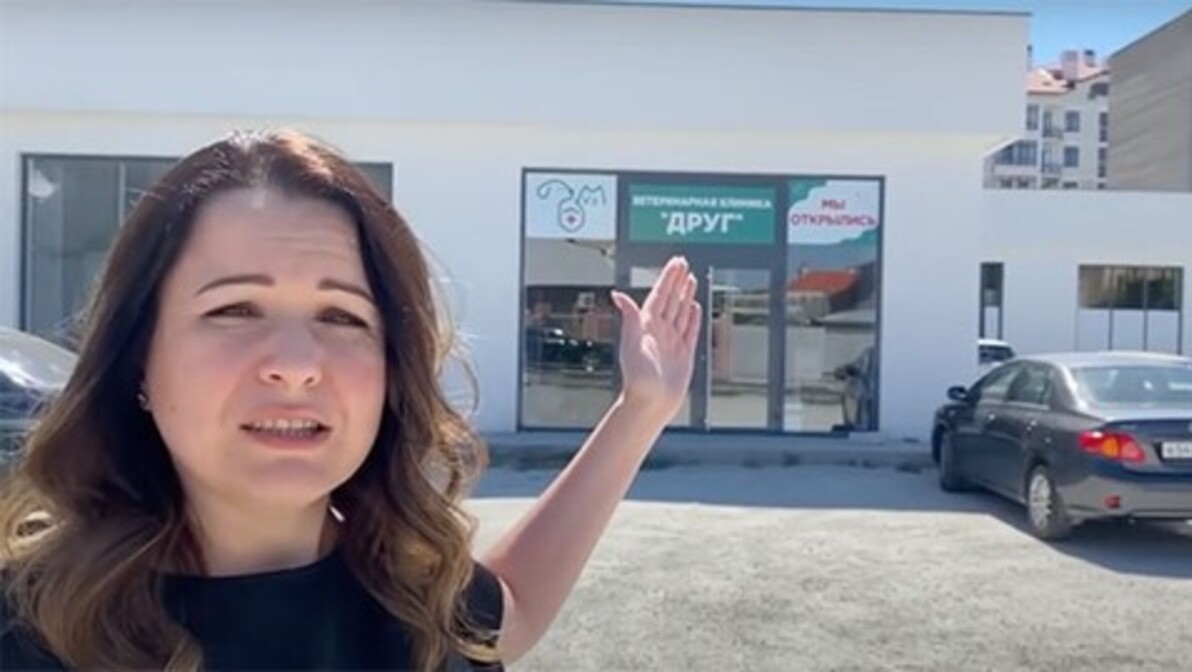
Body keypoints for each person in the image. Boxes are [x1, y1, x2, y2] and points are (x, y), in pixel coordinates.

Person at [0, 130, 701, 670]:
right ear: (137, 358)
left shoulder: (414, 596)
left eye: (342, 318)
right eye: (236, 309)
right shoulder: (33, 626)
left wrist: (641, 409)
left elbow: (507, 614)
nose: (298, 366)